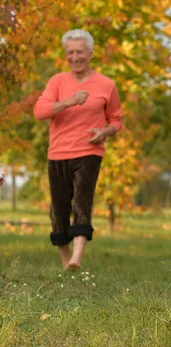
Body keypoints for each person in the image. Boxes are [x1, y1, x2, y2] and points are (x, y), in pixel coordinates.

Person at [33, 29, 122, 271]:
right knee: (59, 208)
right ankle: (65, 261)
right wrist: (70, 101)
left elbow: (116, 120)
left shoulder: (106, 85)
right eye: (70, 52)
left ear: (90, 53)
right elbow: (40, 112)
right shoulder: (57, 81)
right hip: (58, 153)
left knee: (82, 202)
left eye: (79, 52)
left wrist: (104, 133)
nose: (74, 57)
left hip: (89, 151)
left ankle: (77, 258)